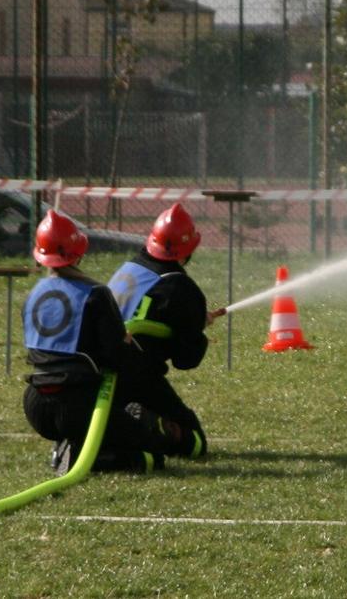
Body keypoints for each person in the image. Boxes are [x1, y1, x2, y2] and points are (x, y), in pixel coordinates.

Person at [21, 208, 144, 475]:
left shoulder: (32, 295)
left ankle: (69, 447)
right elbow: (116, 356)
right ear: (79, 251)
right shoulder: (96, 294)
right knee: (144, 442)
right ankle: (84, 455)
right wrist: (130, 346)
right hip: (80, 405)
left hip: (35, 406)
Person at [101, 203, 222, 470]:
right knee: (194, 443)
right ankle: (145, 424)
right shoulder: (180, 286)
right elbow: (186, 359)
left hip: (98, 374)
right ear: (188, 250)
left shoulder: (130, 266)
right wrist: (195, 328)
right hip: (137, 378)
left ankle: (122, 424)